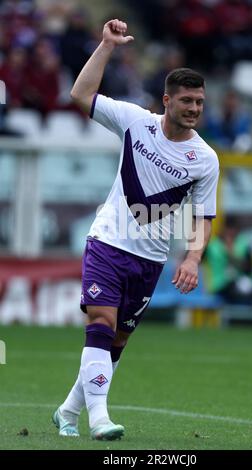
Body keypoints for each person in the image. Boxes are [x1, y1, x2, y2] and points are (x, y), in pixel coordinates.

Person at [52, 19, 219, 441]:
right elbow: (80, 94)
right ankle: (100, 419)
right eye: (186, 101)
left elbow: (204, 216)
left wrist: (193, 257)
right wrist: (106, 46)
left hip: (149, 259)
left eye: (199, 102)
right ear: (167, 100)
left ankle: (68, 411)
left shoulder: (205, 159)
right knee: (101, 324)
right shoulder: (134, 121)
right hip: (107, 241)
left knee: (116, 344)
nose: (194, 109)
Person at [205, 217, 252, 325]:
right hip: (220, 285)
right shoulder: (213, 245)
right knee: (236, 290)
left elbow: (250, 268)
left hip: (240, 283)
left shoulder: (243, 244)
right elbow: (196, 259)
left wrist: (231, 255)